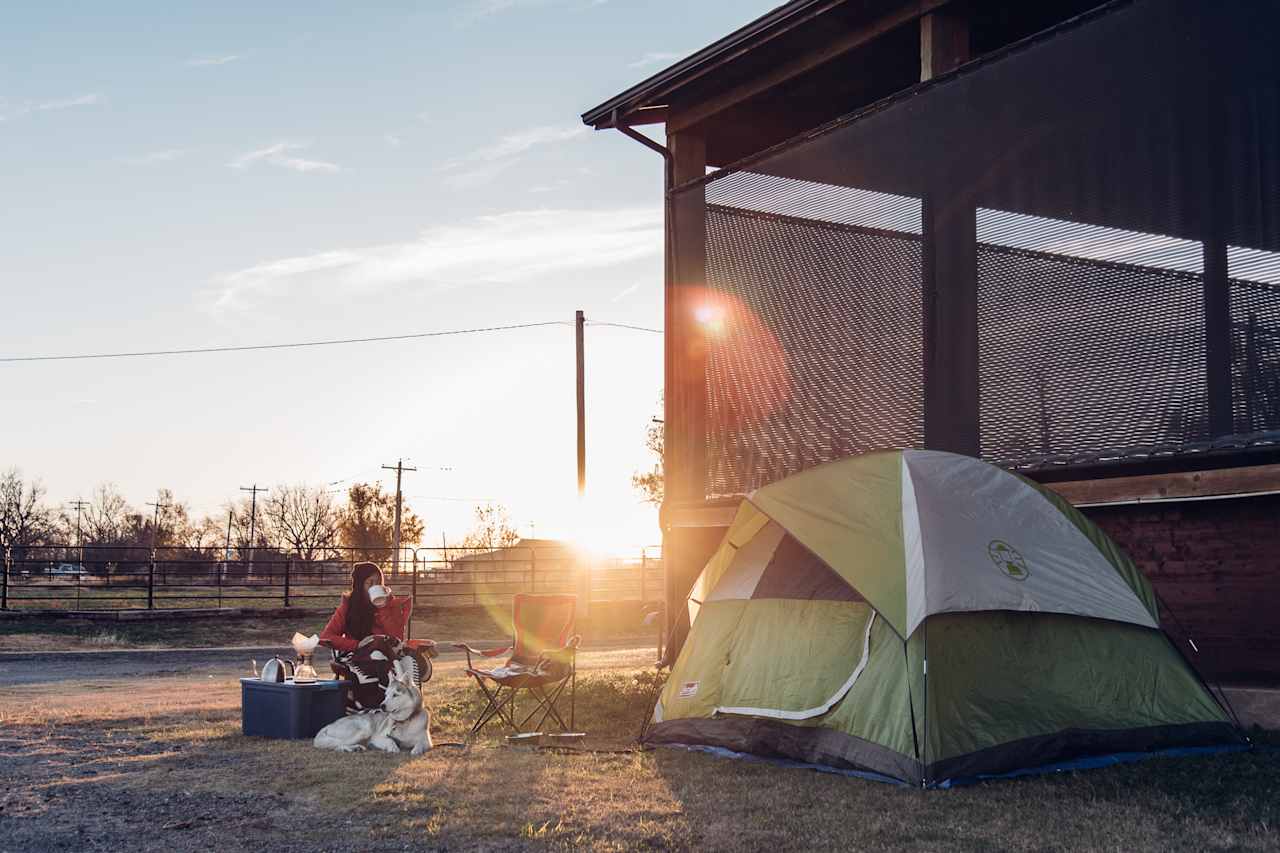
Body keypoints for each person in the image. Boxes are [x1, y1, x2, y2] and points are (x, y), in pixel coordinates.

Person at [320, 561, 422, 713]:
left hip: (387, 652)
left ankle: (407, 706)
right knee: (376, 656)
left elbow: (396, 636)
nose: (375, 586)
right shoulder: (349, 606)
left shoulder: (390, 606)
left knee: (406, 660)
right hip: (358, 654)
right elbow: (326, 637)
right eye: (370, 583)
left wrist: (383, 608)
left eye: (379, 582)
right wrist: (357, 644)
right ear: (360, 585)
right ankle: (374, 705)